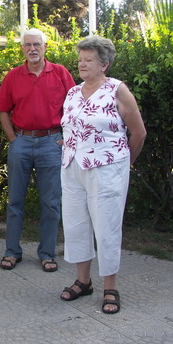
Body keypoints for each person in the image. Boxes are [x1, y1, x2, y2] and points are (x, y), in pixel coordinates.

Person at [59, 35, 146, 315]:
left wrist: (123, 163)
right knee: (75, 224)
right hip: (72, 167)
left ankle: (110, 287)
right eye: (80, 60)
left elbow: (139, 132)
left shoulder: (117, 90)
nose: (82, 64)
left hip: (106, 168)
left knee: (106, 227)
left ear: (104, 64)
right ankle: (83, 281)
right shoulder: (73, 92)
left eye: (88, 60)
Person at [0, 28, 75, 272]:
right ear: (22, 49)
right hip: (22, 142)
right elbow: (2, 110)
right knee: (15, 200)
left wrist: (66, 137)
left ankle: (47, 254)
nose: (32, 49)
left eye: (36, 44)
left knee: (51, 202)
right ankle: (12, 252)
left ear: (45, 46)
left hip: (52, 143)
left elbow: (74, 107)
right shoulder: (13, 76)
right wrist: (13, 139)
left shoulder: (60, 73)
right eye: (27, 45)